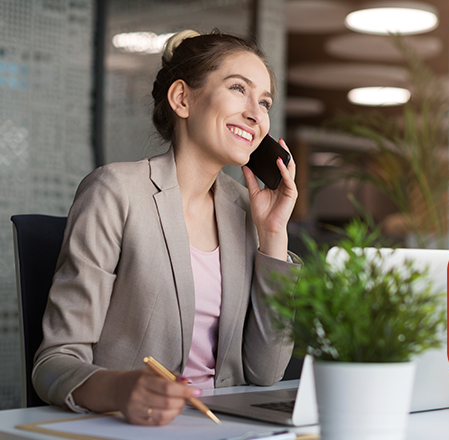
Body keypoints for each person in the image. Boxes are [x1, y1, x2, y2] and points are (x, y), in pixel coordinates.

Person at [32, 29, 299, 426]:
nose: (256, 114)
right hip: (137, 427)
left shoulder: (245, 210)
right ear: (182, 99)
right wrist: (120, 389)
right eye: (238, 89)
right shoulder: (116, 191)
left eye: (264, 102)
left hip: (226, 428)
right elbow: (53, 364)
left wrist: (273, 235)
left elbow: (267, 371)